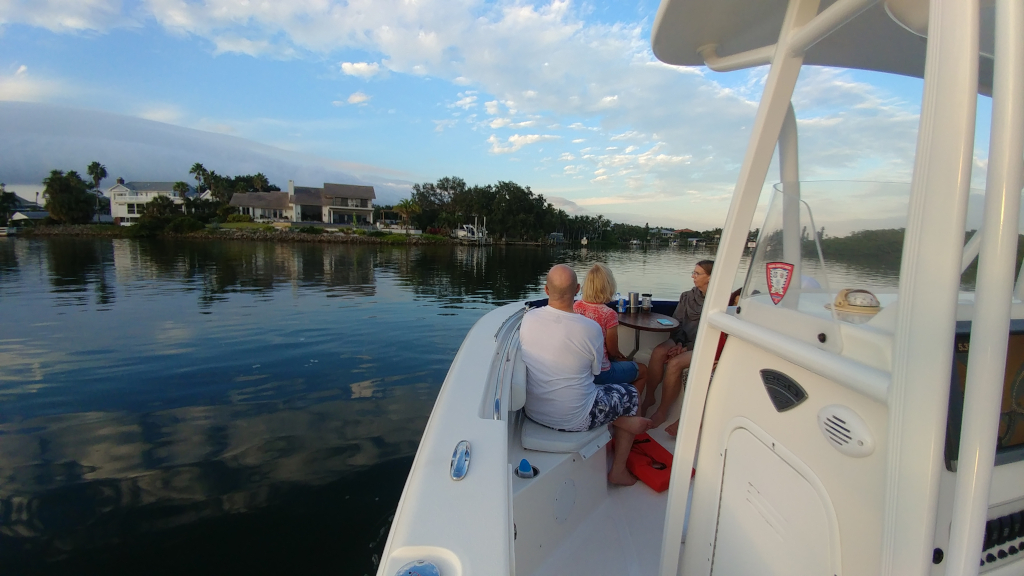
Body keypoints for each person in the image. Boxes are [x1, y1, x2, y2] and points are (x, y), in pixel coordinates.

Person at [521, 264, 652, 486]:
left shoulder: (529, 318)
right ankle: (618, 469)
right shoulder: (589, 328)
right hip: (574, 419)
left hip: (534, 412)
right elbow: (596, 373)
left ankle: (621, 422)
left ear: (545, 290)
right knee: (629, 393)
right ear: (577, 289)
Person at [641, 260, 714, 428]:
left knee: (674, 364)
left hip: (702, 346)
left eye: (697, 273)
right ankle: (649, 397)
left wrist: (686, 348)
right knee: (659, 351)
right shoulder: (687, 296)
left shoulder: (719, 302)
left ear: (710, 277)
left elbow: (712, 334)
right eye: (693, 272)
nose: (692, 276)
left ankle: (662, 411)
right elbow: (677, 323)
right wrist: (680, 342)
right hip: (683, 340)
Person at [573, 263, 648, 390]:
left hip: (579, 370)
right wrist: (623, 358)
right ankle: (634, 406)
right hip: (601, 373)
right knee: (643, 370)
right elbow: (612, 351)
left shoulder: (575, 306)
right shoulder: (609, 314)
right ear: (608, 286)